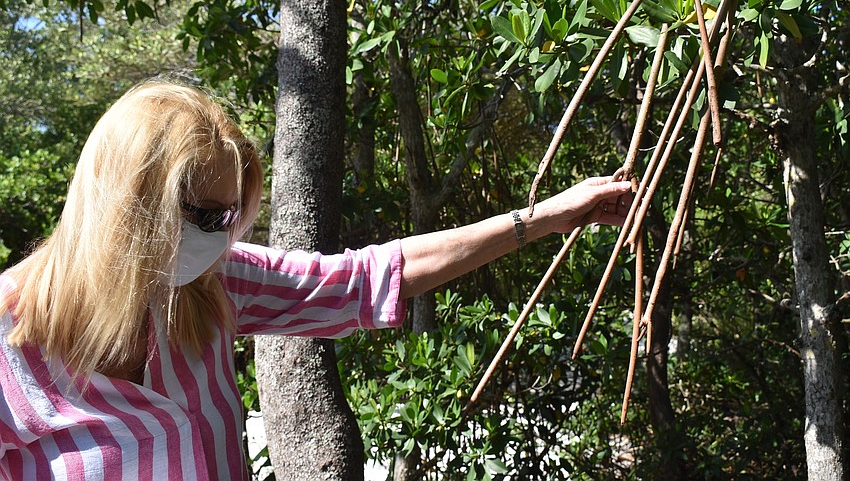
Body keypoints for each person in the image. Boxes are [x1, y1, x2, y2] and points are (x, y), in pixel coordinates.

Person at [0, 81, 633, 479]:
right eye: (208, 217)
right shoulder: (9, 338)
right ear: (128, 204)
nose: (223, 239)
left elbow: (368, 277)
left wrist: (547, 218)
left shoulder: (209, 288)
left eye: (232, 217)